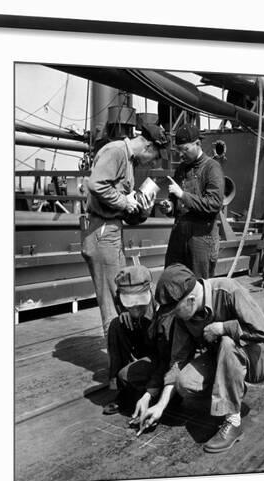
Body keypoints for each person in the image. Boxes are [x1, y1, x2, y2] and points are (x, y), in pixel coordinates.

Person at [132, 263, 264, 453]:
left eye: (175, 311)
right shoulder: (184, 315)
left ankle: (233, 421)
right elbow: (178, 360)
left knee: (227, 342)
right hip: (221, 358)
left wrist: (223, 328)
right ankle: (228, 388)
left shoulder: (229, 290)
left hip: (258, 358)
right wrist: (160, 405)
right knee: (185, 383)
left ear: (191, 300)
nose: (175, 317)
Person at [82, 124, 168, 344]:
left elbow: (123, 206)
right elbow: (96, 184)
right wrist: (124, 201)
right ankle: (116, 363)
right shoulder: (117, 151)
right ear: (148, 146)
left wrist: (140, 207)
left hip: (111, 229)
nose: (152, 163)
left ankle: (121, 354)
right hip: (102, 231)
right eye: (155, 157)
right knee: (111, 301)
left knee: (121, 294)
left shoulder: (127, 160)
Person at [103, 265, 171, 415]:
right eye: (130, 303)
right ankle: (122, 391)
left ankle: (153, 395)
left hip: (161, 360)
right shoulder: (123, 306)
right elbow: (120, 301)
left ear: (149, 293)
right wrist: (124, 313)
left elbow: (166, 359)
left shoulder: (162, 313)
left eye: (140, 304)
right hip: (142, 354)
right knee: (116, 325)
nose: (135, 308)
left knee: (126, 375)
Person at [162, 124, 225, 278]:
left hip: (201, 238)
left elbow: (214, 204)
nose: (181, 155)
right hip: (179, 235)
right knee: (172, 280)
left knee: (199, 288)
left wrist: (183, 195)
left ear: (198, 144)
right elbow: (175, 200)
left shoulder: (212, 168)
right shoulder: (181, 169)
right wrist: (169, 206)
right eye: (178, 150)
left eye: (185, 149)